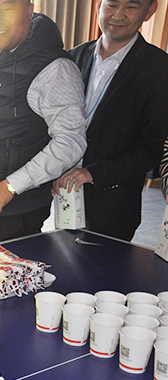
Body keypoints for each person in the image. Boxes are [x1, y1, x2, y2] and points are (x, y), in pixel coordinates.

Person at [0, 0, 87, 253]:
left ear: (30, 11)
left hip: (8, 213)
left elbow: (70, 142)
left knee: (1, 279)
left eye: (7, 9)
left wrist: (11, 186)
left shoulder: (53, 68)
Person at [54, 0, 168, 241]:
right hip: (62, 194)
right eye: (112, 5)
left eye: (131, 7)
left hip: (113, 204)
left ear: (150, 10)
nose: (118, 15)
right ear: (98, 7)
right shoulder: (72, 57)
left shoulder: (160, 69)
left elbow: (151, 148)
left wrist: (92, 173)